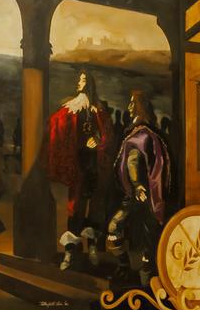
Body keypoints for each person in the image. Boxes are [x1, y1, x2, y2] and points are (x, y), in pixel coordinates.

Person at [45, 70, 110, 245]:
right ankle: (72, 248)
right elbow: (55, 122)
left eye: (82, 81)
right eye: (79, 80)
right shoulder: (72, 107)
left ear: (88, 84)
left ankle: (93, 246)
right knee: (76, 202)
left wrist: (98, 140)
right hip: (79, 160)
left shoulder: (98, 110)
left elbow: (106, 134)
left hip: (94, 161)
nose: (79, 83)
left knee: (94, 201)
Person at [111, 88, 172, 220]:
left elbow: (133, 160)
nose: (129, 107)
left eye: (132, 103)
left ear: (140, 106)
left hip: (140, 192)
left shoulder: (141, 134)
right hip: (140, 190)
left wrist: (137, 183)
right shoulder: (140, 131)